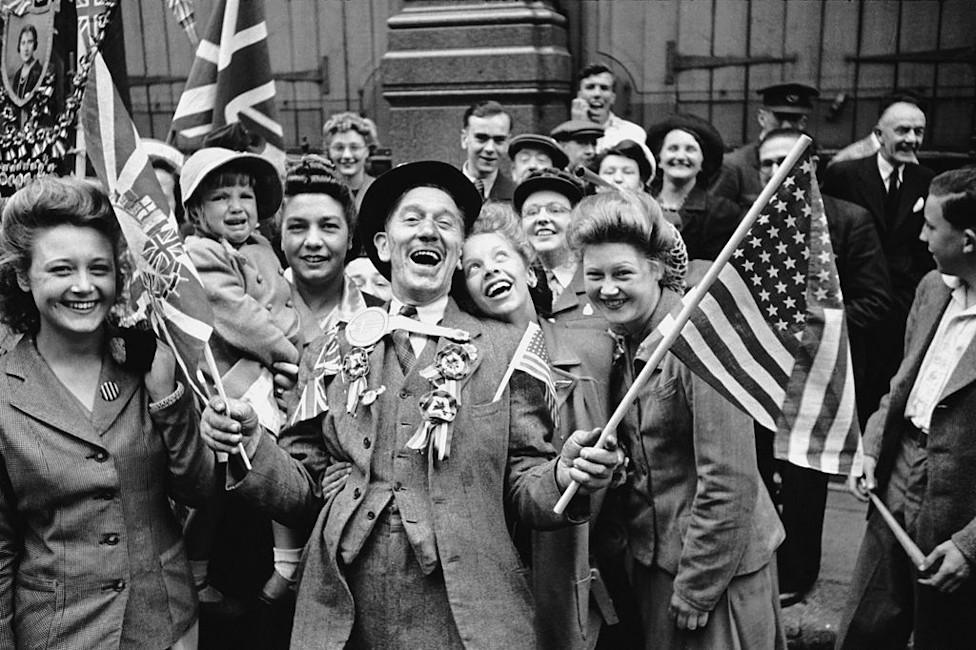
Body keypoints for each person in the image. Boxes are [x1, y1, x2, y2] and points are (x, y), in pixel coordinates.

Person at [199, 160, 622, 648]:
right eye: (413, 219)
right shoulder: (334, 346)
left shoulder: (509, 350)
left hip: (468, 611)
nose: (430, 231)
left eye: (445, 223)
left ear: (460, 251)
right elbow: (303, 486)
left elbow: (525, 488)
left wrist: (566, 477)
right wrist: (249, 443)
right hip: (347, 606)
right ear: (383, 245)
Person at [0, 177, 214, 649]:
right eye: (60, 269)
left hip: (165, 623)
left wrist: (167, 396)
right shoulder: (4, 388)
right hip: (59, 632)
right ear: (21, 275)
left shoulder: (148, 360)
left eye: (98, 268)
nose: (83, 286)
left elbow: (198, 488)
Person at [570, 190, 785, 649]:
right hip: (655, 566)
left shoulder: (697, 341)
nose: (608, 288)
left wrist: (698, 587)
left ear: (656, 269)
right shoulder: (626, 339)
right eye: (595, 275)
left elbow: (730, 479)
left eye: (623, 273)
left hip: (717, 575)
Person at [460, 202, 629, 649]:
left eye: (500, 258)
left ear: (530, 272)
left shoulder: (594, 345)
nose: (489, 271)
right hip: (503, 566)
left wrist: (615, 463)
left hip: (588, 564)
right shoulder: (466, 369)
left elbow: (630, 440)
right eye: (473, 267)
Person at [837, 168, 976, 650]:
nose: (921, 236)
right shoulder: (932, 287)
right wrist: (872, 447)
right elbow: (902, 386)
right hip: (897, 475)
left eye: (933, 227)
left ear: (969, 240)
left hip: (963, 509)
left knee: (948, 632)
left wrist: (969, 545)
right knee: (866, 624)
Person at [753, 128, 892, 605]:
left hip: (817, 374)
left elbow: (877, 302)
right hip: (759, 371)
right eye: (768, 164)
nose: (777, 173)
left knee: (803, 480)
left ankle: (796, 573)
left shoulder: (849, 220)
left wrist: (811, 330)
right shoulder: (752, 221)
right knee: (756, 473)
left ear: (811, 167)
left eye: (787, 163)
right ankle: (760, 566)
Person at [180, 147, 301, 613]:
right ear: (195, 211)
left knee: (284, 459)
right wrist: (292, 356)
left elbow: (283, 304)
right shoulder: (199, 253)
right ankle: (197, 568)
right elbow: (242, 318)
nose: (237, 207)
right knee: (217, 475)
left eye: (246, 195)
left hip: (268, 370)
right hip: (230, 378)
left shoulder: (261, 249)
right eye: (221, 197)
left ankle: (286, 559)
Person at [822, 98, 935, 431]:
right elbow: (829, 228)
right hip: (857, 299)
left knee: (887, 379)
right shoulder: (845, 174)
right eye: (903, 130)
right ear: (878, 134)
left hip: (900, 303)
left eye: (919, 131)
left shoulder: (925, 179)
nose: (912, 140)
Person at [646, 113, 741, 281]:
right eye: (673, 148)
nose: (681, 157)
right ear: (659, 159)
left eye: (690, 150)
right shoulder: (642, 204)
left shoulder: (722, 213)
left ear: (702, 162)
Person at [710, 82, 819, 211]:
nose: (786, 126)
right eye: (779, 118)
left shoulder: (810, 159)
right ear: (762, 118)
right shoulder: (734, 165)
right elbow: (716, 214)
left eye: (793, 119)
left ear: (803, 122)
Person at [513, 167, 601, 325]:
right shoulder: (516, 283)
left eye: (555, 210)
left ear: (577, 219)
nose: (542, 219)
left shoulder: (598, 276)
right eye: (531, 212)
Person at [571, 62, 647, 153]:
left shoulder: (631, 132)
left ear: (613, 97)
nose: (597, 94)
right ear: (579, 95)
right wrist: (578, 127)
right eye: (590, 87)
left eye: (604, 88)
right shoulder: (564, 136)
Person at [460, 100, 515, 201]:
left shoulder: (517, 198)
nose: (490, 148)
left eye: (499, 140)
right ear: (464, 139)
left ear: (507, 143)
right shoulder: (443, 193)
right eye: (481, 138)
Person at [322, 112, 379, 208]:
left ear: (368, 150)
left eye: (354, 147)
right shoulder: (322, 193)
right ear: (329, 151)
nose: (347, 155)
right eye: (339, 148)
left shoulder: (379, 190)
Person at [11, 25, 42, 100]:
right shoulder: (18, 75)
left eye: (30, 42)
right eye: (23, 43)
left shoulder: (39, 72)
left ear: (35, 45)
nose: (26, 48)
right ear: (19, 46)